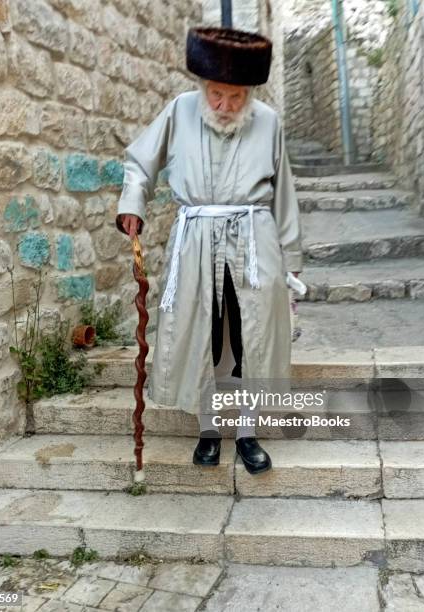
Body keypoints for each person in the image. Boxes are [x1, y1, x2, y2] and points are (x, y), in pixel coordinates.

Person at [116, 26, 303, 475]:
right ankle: (207, 432)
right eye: (216, 94)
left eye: (235, 97)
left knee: (247, 341)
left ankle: (247, 434)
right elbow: (141, 162)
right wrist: (132, 204)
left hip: (254, 244)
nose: (224, 105)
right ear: (204, 88)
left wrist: (291, 266)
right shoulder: (180, 111)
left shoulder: (269, 123)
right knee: (203, 338)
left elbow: (284, 198)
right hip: (195, 241)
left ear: (250, 93)